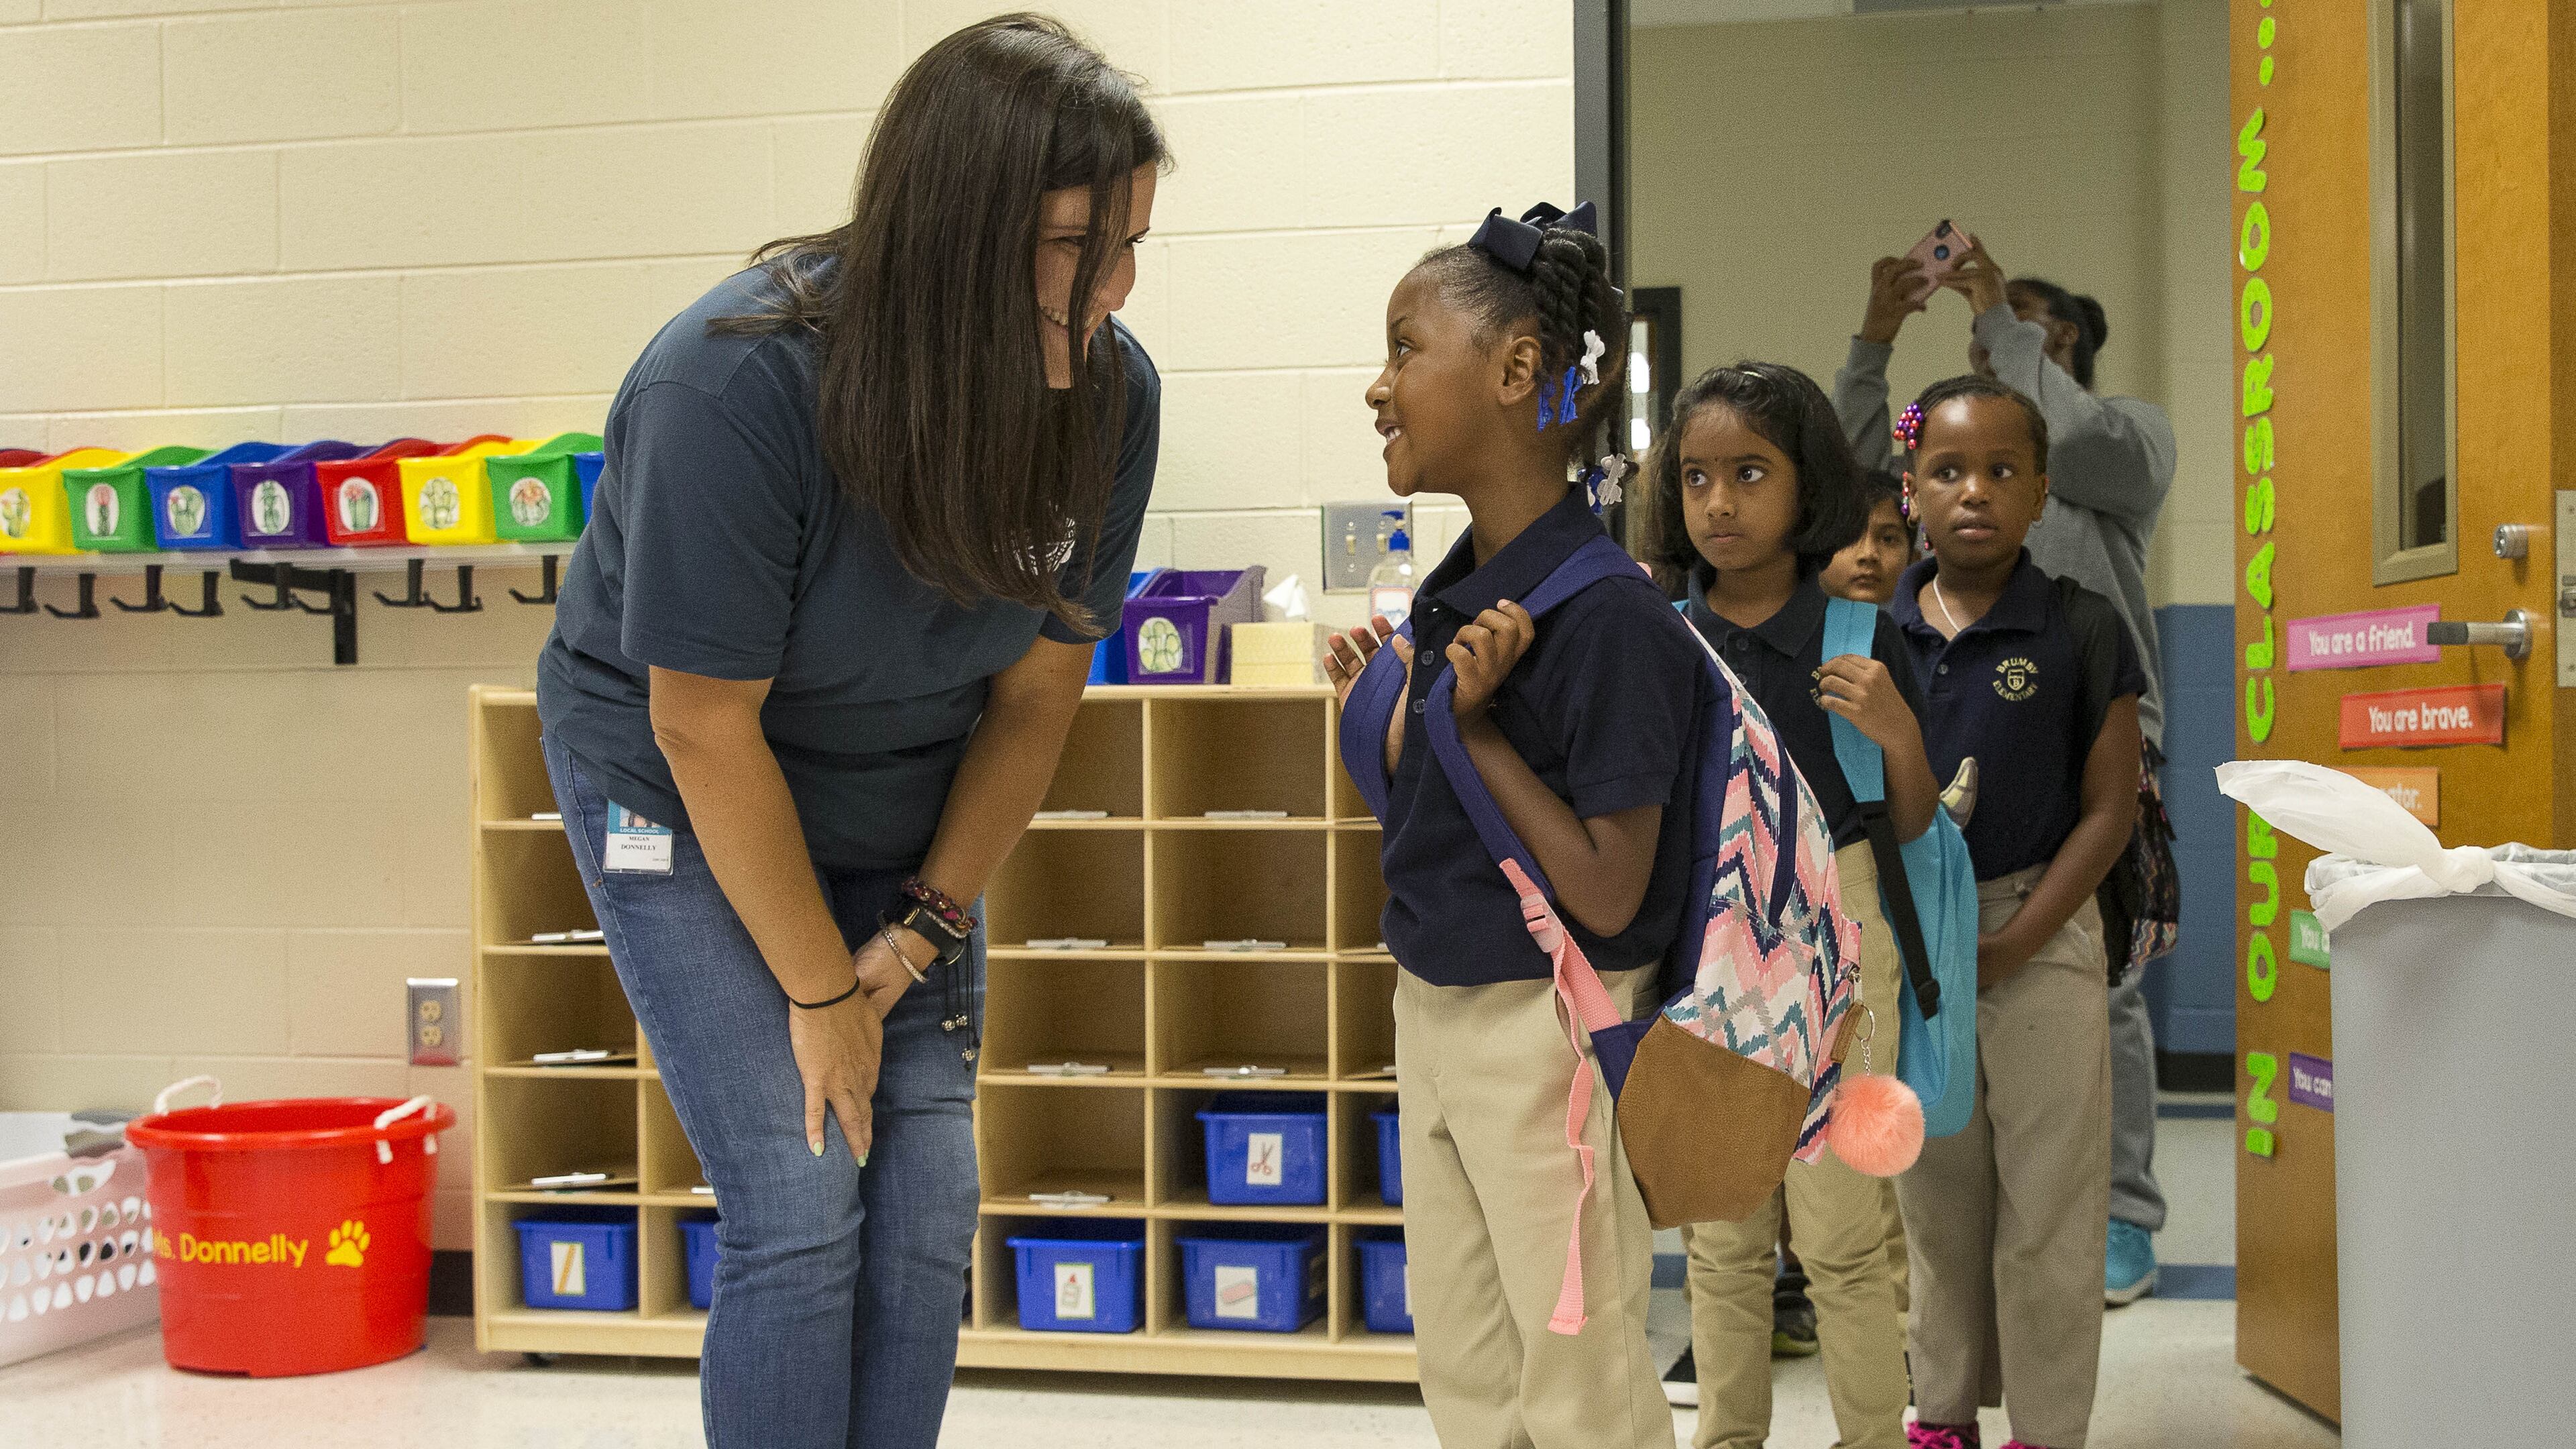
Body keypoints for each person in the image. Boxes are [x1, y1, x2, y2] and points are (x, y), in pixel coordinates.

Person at [531, 19, 1163, 1449]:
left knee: (929, 1207)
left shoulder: (1110, 400)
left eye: (1133, 244)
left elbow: (1036, 698)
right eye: (1079, 247)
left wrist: (924, 930)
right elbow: (698, 725)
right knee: (804, 1188)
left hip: (907, 783)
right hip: (673, 788)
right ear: (954, 233)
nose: (1115, 289)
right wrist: (822, 996)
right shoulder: (730, 387)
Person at [1326, 203, 1703, 1449]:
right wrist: (1390, 724)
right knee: (1473, 1386)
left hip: (1545, 1032)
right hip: (1432, 1011)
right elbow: (1453, 835)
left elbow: (1604, 891)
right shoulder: (1460, 595)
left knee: (1579, 1392)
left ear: (1516, 371)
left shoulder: (1608, 620)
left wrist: (1477, 729)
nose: (1379, 387)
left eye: (1403, 349)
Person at [1833, 244, 2176, 1305]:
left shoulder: (2114, 446)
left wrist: (1996, 304)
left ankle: (2120, 1214)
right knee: (1926, 977)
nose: (1993, 338)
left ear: (2060, 345)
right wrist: (1877, 336)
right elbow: (1865, 470)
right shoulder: (1960, 459)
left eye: (2026, 330)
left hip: (2087, 733)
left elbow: (2064, 431)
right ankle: (1950, 1221)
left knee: (2093, 984)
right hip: (1944, 728)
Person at [1637, 362, 1929, 1449]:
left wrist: (1898, 732)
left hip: (1844, 940)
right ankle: (1727, 1437)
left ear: (1806, 489)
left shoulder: (1860, 639)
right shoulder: (1659, 637)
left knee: (1848, 1237)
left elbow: (1912, 825)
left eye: (1749, 474)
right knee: (1719, 1238)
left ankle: (1869, 1435)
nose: (1719, 501)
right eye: (1698, 476)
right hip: (1703, 946)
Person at [1886, 377, 2143, 1449]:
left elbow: (2112, 807)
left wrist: (2021, 939)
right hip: (1913, 946)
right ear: (1911, 492)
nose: (1974, 492)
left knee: (2049, 1207)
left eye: (2001, 472)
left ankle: (2047, 1428)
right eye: (1947, 472)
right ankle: (1941, 1417)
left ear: (2040, 494)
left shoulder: (2080, 626)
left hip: (2041, 930)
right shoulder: (1876, 627)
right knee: (1936, 1207)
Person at [1822, 468, 1915, 608]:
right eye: (1849, 536)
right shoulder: (1785, 628)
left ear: (1913, 560)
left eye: (1888, 539)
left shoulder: (1922, 628)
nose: (1868, 554)